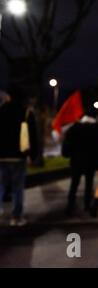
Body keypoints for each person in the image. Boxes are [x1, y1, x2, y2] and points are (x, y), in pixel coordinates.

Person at [0, 87, 38, 226]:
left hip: (1, 155)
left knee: (1, 185)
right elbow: (33, 136)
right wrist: (33, 155)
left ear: (9, 96)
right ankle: (16, 217)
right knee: (17, 187)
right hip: (18, 155)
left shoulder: (1, 110)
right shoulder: (26, 113)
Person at [62, 111, 98, 216]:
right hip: (89, 160)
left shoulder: (73, 129)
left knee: (74, 183)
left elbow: (67, 143)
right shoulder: (92, 129)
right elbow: (96, 145)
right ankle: (87, 205)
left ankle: (70, 206)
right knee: (89, 183)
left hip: (76, 160)